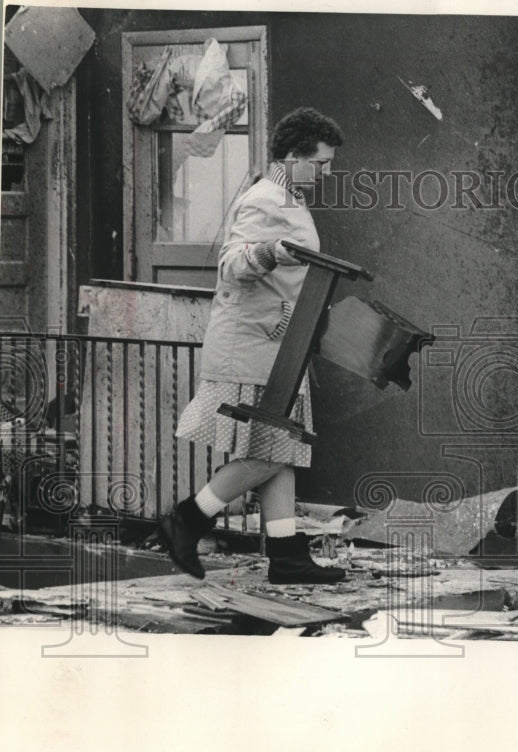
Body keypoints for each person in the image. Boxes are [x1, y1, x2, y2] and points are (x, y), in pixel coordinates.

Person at [159, 107, 346, 585]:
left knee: (280, 452)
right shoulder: (265, 198)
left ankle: (286, 557)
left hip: (277, 349)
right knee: (269, 452)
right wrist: (269, 252)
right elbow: (230, 265)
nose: (326, 174)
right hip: (251, 350)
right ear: (294, 156)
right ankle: (188, 519)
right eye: (321, 164)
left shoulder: (288, 197)